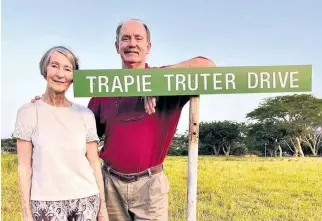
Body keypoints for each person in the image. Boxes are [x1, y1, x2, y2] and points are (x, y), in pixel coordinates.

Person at [31, 19, 216, 220]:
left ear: (148, 46)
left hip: (150, 187)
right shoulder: (104, 90)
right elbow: (79, 134)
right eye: (125, 38)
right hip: (111, 185)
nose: (132, 43)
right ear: (117, 46)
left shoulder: (169, 82)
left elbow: (208, 66)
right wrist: (50, 104)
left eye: (138, 38)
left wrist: (156, 81)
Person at [13, 46, 109, 221]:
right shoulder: (28, 112)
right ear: (45, 70)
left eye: (67, 69)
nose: (60, 74)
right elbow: (24, 167)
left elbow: (94, 163)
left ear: (74, 77)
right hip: (45, 203)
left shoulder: (84, 114)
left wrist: (102, 208)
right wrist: (26, 213)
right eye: (54, 66)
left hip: (86, 200)